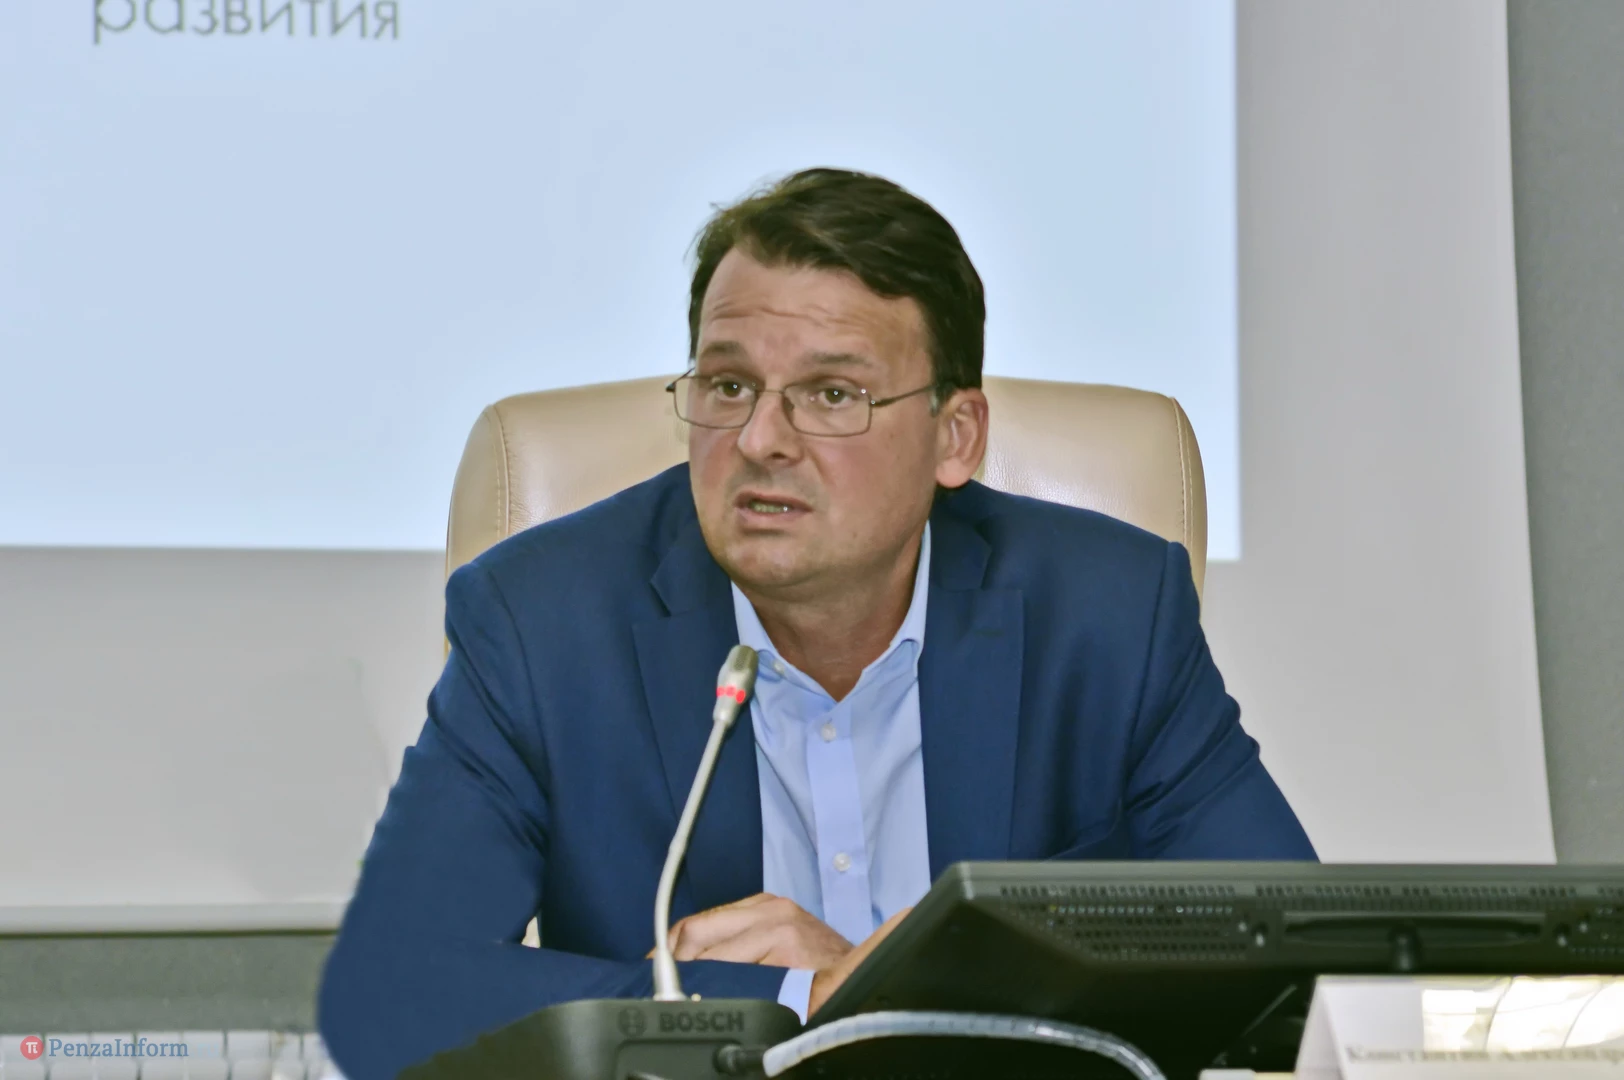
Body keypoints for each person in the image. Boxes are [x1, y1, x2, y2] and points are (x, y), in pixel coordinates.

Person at [318, 168, 1315, 1079]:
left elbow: (1286, 964)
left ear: (955, 435)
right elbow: (394, 990)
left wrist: (900, 991)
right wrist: (799, 998)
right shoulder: (543, 623)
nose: (760, 440)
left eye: (831, 395)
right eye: (728, 386)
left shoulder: (1107, 613)